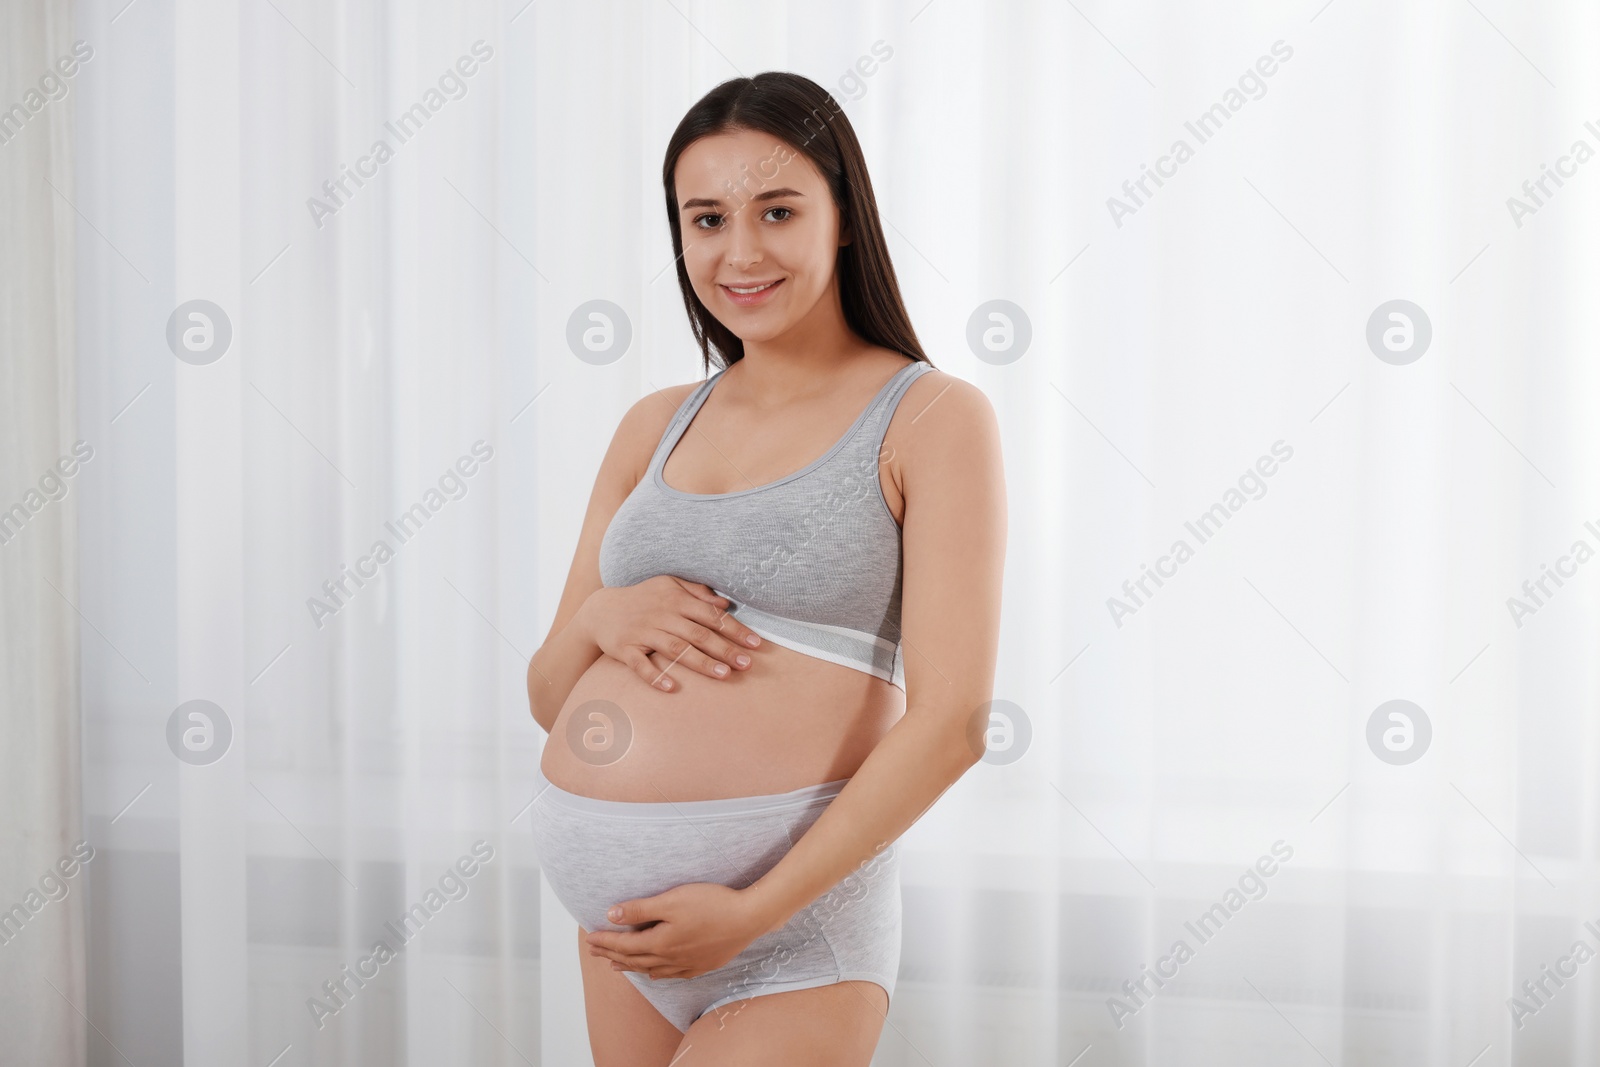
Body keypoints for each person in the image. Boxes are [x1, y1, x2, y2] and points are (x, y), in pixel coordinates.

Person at [525, 70, 1006, 1067]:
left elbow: (954, 723)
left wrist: (748, 911)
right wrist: (597, 622)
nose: (738, 251)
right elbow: (545, 694)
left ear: (840, 217)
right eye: (706, 219)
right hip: (625, 932)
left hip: (793, 938)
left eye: (776, 210)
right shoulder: (653, 423)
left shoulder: (931, 418)